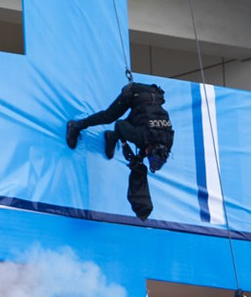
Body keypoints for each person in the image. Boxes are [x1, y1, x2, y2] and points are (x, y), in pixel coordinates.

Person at [66, 82, 175, 220]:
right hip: (134, 93)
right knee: (109, 117)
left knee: (134, 123)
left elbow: (148, 137)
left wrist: (139, 156)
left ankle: (111, 137)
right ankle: (76, 126)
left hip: (150, 101)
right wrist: (124, 145)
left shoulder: (168, 140)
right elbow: (119, 125)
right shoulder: (140, 137)